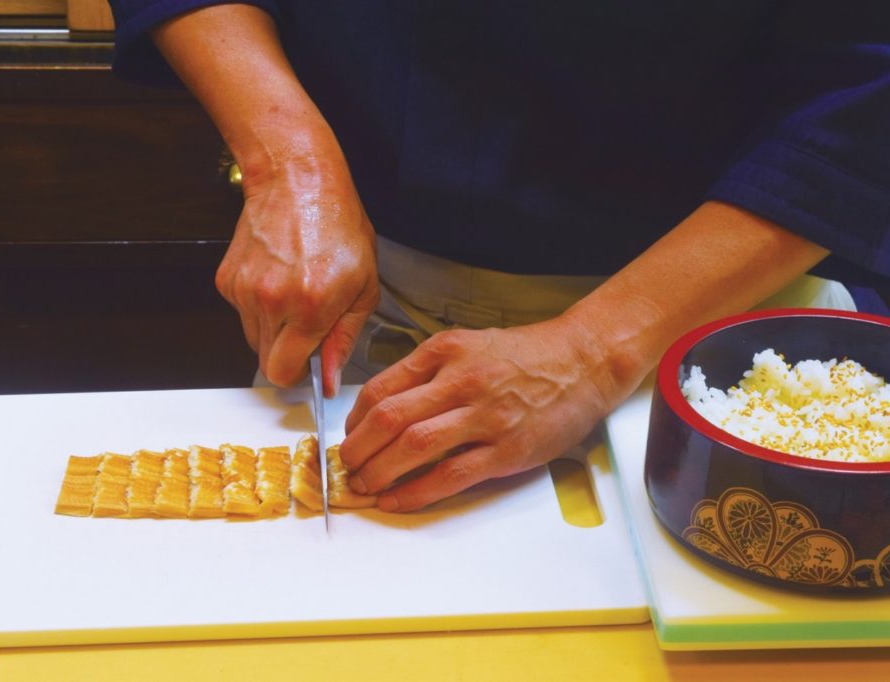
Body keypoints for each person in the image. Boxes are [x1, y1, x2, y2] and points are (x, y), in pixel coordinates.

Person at [108, 2, 890, 512]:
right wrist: (288, 163)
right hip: (364, 299)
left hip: (723, 333)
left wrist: (592, 351)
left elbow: (869, 80)